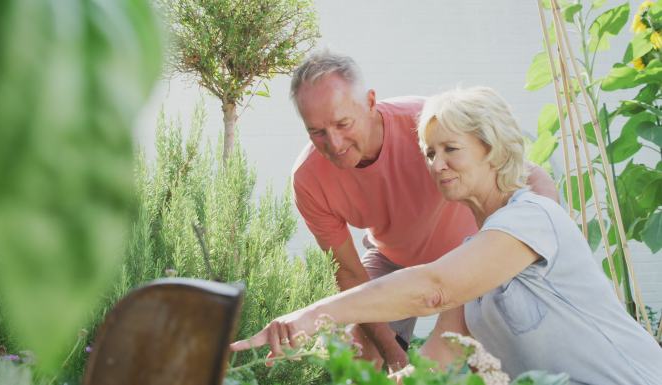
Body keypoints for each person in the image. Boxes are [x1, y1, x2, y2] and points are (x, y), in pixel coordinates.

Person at [232, 87, 662, 384]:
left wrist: (309, 317)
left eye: (451, 149)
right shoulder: (473, 261)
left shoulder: (532, 218)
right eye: (430, 153)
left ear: (493, 150)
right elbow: (437, 364)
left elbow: (432, 288)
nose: (436, 165)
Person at [287, 50, 558, 370]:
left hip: (470, 255)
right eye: (316, 132)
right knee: (361, 353)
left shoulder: (428, 124)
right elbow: (348, 272)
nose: (333, 142)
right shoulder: (309, 179)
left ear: (371, 102)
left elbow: (532, 175)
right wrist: (393, 353)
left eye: (343, 123)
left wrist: (546, 243)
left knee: (481, 360)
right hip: (392, 260)